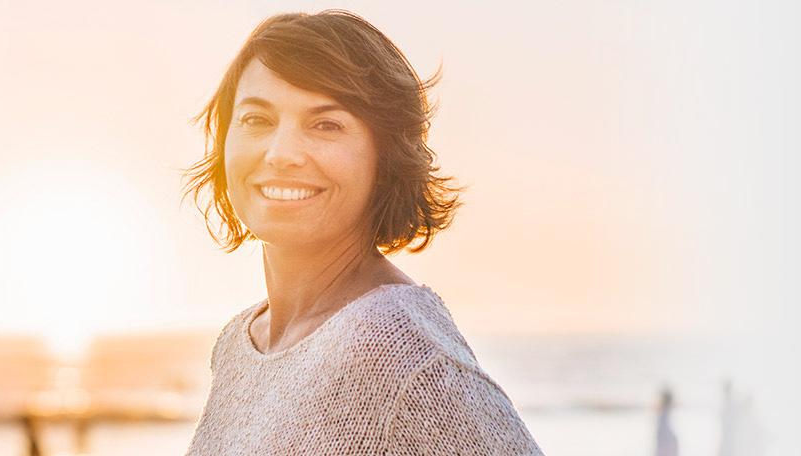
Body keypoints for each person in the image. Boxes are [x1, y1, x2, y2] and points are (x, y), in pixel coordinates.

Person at [180, 10, 542, 455]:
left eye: (326, 124)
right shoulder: (240, 344)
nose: (281, 153)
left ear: (385, 158)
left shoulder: (409, 358)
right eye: (257, 119)